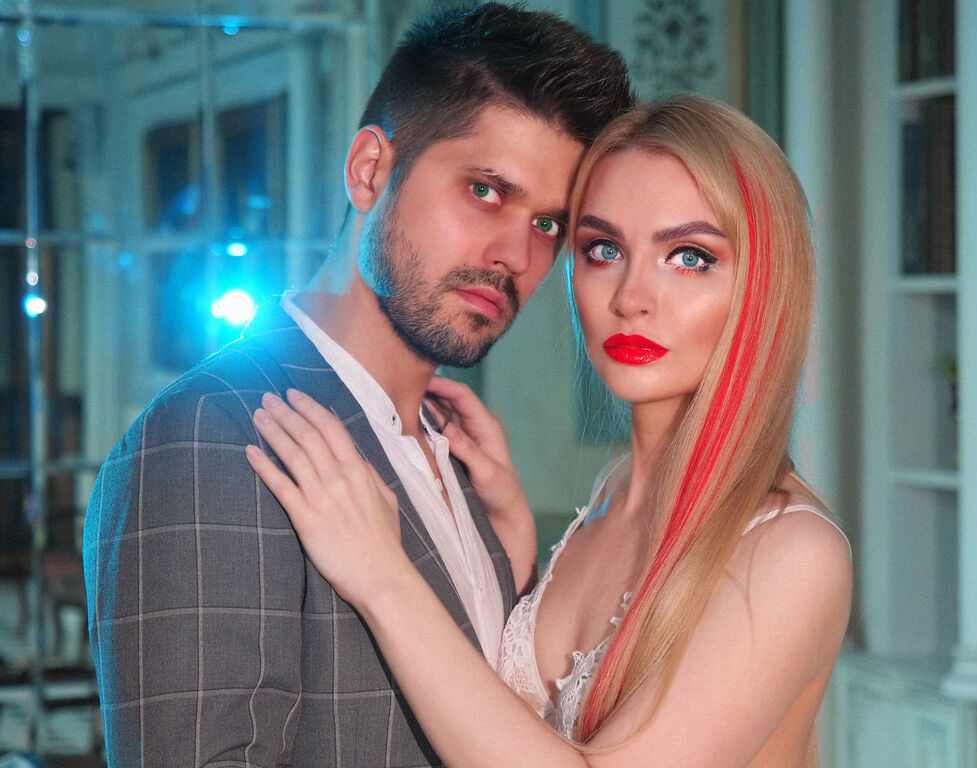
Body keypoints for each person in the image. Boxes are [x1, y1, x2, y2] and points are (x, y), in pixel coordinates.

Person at [82, 4, 633, 766]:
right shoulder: (213, 437)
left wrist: (517, 571)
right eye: (485, 191)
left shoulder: (459, 461)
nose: (515, 254)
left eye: (547, 225)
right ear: (370, 169)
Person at [245, 94, 853, 767]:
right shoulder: (613, 493)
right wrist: (514, 556)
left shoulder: (794, 552)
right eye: (603, 250)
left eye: (689, 257)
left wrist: (383, 578)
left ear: (766, 285)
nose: (630, 297)